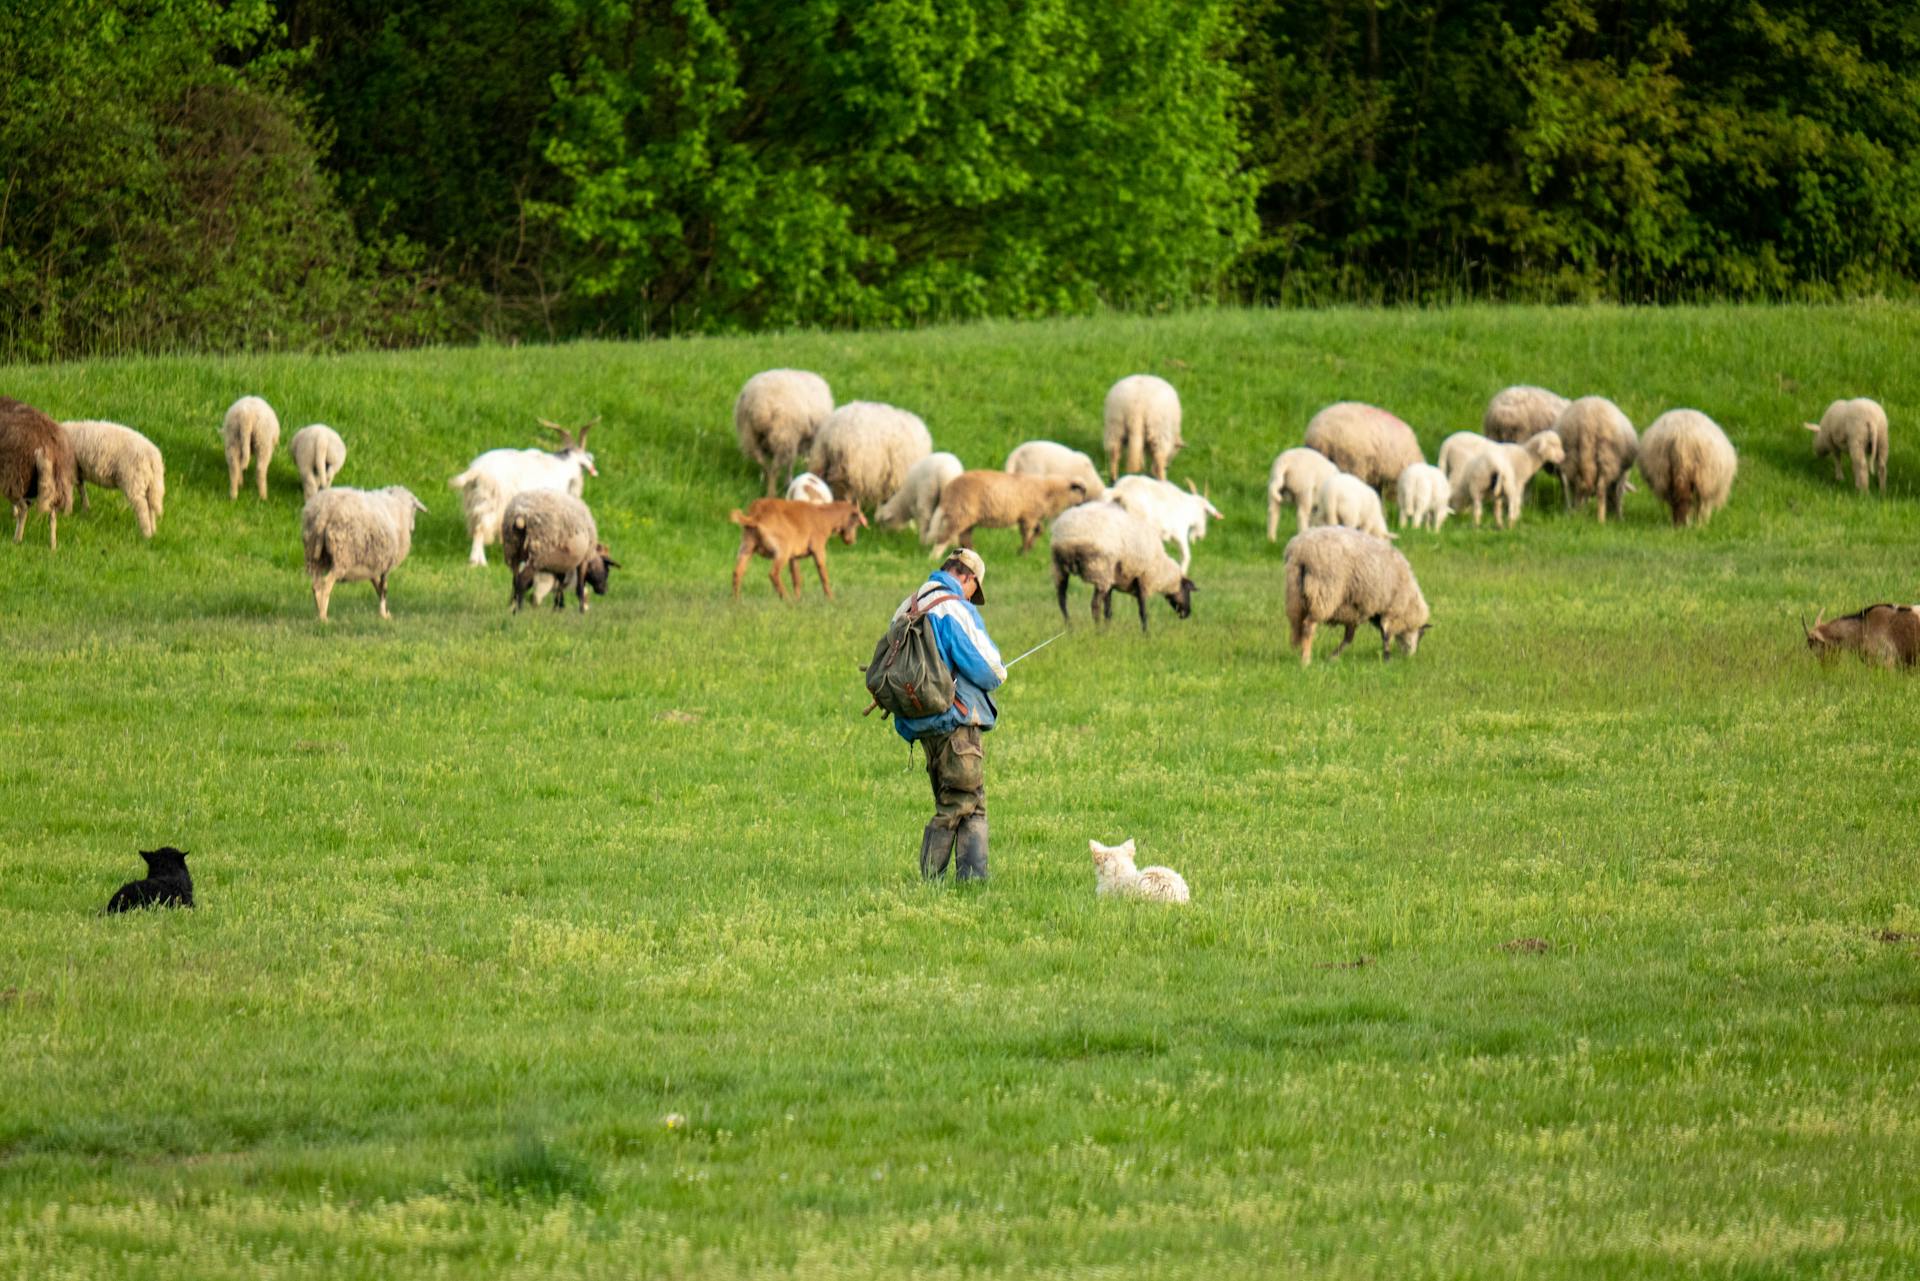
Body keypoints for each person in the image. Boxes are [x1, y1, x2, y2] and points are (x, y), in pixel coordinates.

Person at [890, 548, 1006, 881]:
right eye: (974, 589)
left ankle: (972, 882)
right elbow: (990, 669)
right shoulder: (952, 607)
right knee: (957, 804)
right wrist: (999, 673)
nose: (972, 597)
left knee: (970, 801)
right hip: (954, 721)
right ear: (967, 577)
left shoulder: (909, 604)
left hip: (920, 722)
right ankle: (931, 881)